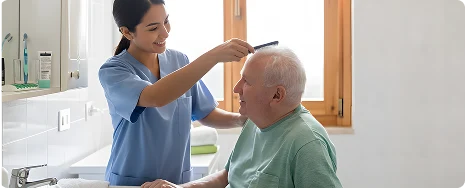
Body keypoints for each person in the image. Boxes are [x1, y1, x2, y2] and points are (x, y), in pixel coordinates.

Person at [98, 0, 255, 186]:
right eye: (153, 28)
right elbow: (155, 97)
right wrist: (214, 56)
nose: (165, 32)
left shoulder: (179, 61)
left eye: (166, 21)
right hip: (131, 182)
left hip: (176, 182)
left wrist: (244, 121)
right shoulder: (114, 71)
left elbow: (205, 113)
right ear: (127, 32)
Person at [142, 46, 343, 188]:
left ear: (277, 95)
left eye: (246, 81)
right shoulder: (255, 121)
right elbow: (227, 176)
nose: (236, 88)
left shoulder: (307, 145)